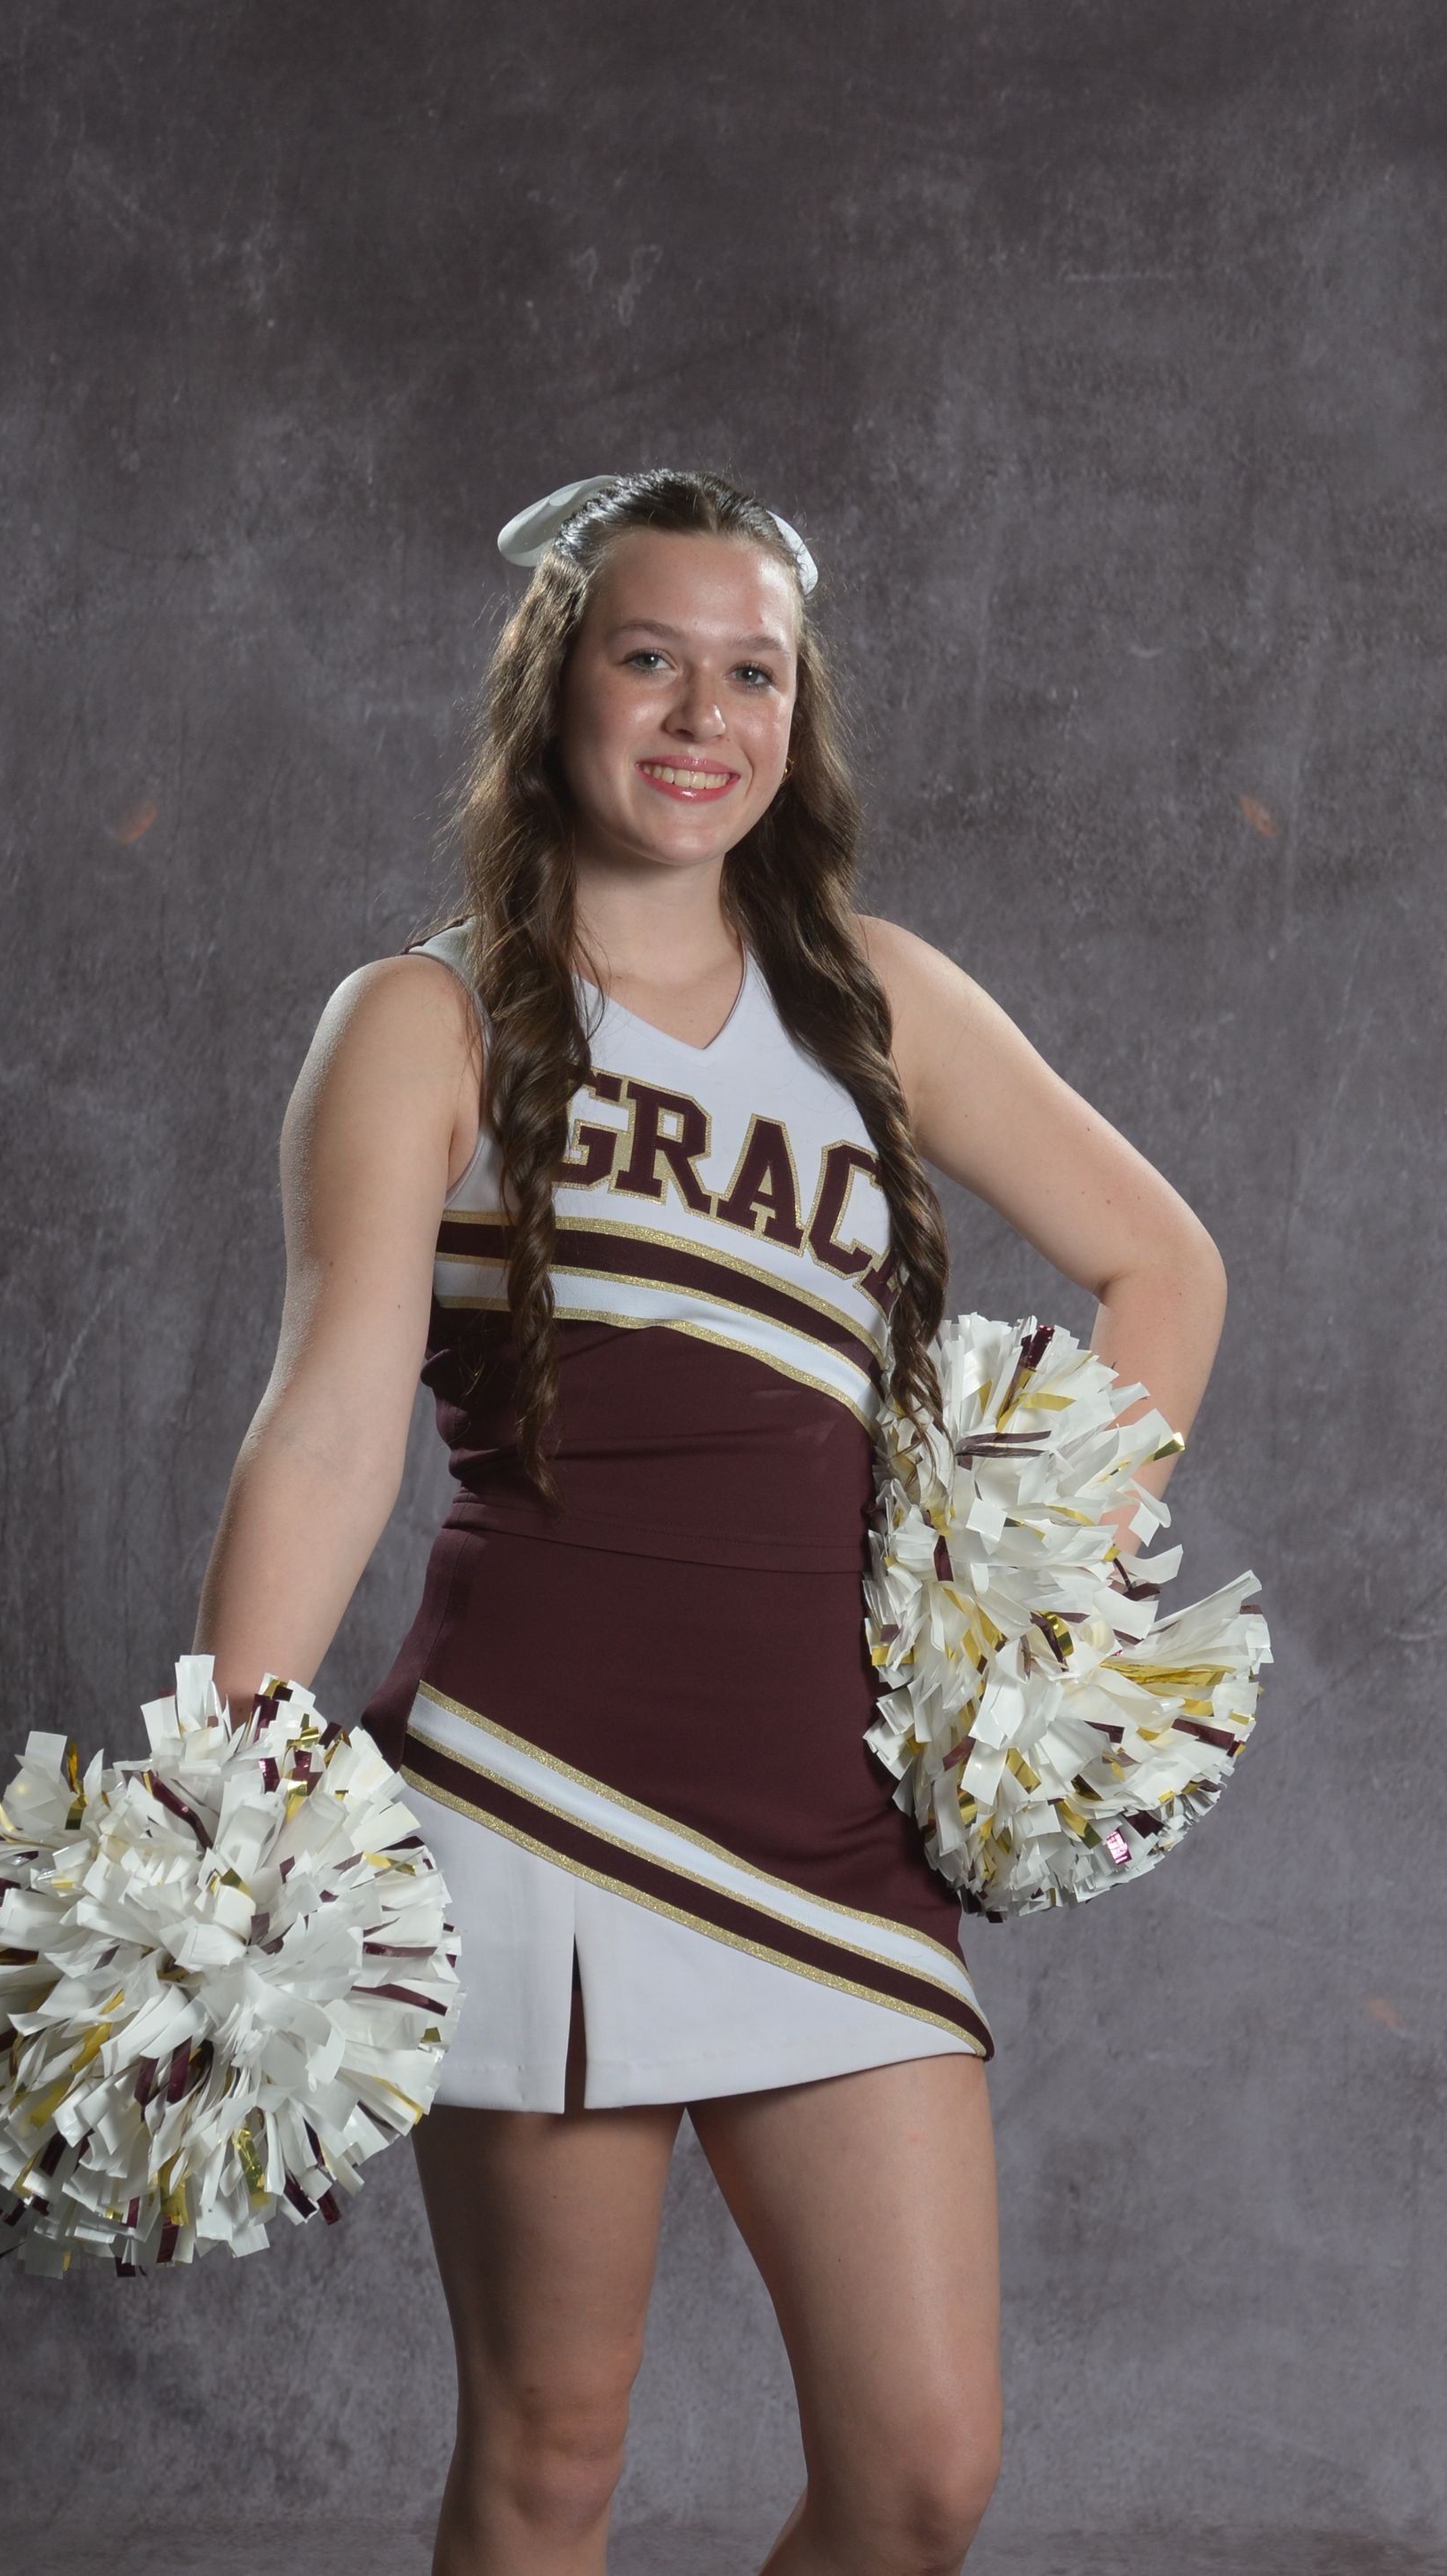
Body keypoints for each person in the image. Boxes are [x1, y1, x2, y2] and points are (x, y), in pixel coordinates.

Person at [192, 467, 1228, 2576]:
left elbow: (1166, 1266)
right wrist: (226, 1773)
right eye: (648, 657)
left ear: (796, 713)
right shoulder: (424, 1020)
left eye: (748, 669)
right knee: (556, 2453)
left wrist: (1034, 1595)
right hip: (532, 1796)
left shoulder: (875, 997)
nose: (699, 713)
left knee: (923, 2470)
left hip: (831, 1821)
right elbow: (327, 1428)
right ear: (554, 689)